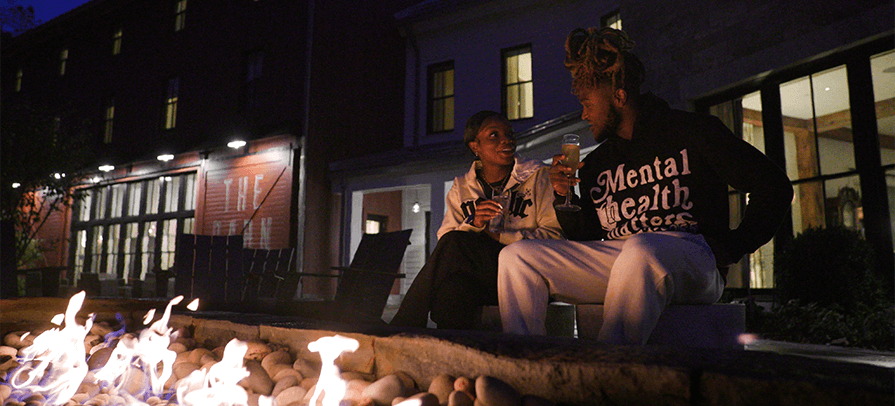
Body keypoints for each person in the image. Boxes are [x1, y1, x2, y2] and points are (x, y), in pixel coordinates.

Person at [497, 28, 793, 344]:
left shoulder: (691, 131)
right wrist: (563, 195)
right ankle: (526, 364)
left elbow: (773, 186)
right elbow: (588, 238)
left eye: (587, 103)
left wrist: (735, 247)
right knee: (518, 257)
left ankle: (608, 372)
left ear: (619, 95)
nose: (584, 115)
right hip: (624, 258)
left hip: (691, 257)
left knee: (642, 249)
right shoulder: (597, 164)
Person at [390, 110, 563, 329]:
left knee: (455, 242)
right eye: (494, 135)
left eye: (509, 133)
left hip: (524, 272)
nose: (507, 140)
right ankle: (455, 358)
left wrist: (498, 236)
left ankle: (404, 324)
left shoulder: (538, 176)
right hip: (484, 277)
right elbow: (446, 242)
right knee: (449, 295)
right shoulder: (462, 186)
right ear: (475, 147)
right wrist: (473, 224)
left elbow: (554, 235)